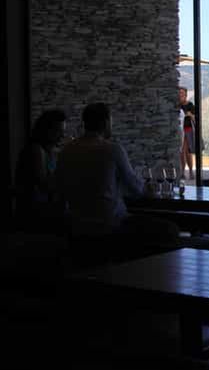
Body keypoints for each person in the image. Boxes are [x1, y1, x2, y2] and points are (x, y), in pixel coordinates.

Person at [57, 103, 179, 256]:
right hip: (112, 225)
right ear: (105, 122)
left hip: (77, 228)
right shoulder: (112, 150)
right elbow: (135, 188)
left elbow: (60, 188)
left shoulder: (66, 151)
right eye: (111, 120)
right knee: (170, 229)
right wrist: (149, 190)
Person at [14, 109, 67, 231]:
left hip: (41, 211)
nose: (62, 135)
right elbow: (45, 186)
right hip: (34, 217)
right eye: (59, 131)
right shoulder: (36, 150)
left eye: (63, 131)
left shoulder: (48, 151)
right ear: (46, 130)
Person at [178, 87, 196, 180]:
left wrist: (190, 115)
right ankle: (183, 172)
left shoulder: (190, 105)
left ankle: (189, 171)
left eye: (182, 93)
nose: (180, 94)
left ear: (185, 95)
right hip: (179, 130)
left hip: (188, 129)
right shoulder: (177, 105)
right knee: (182, 151)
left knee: (187, 152)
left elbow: (195, 117)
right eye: (179, 93)